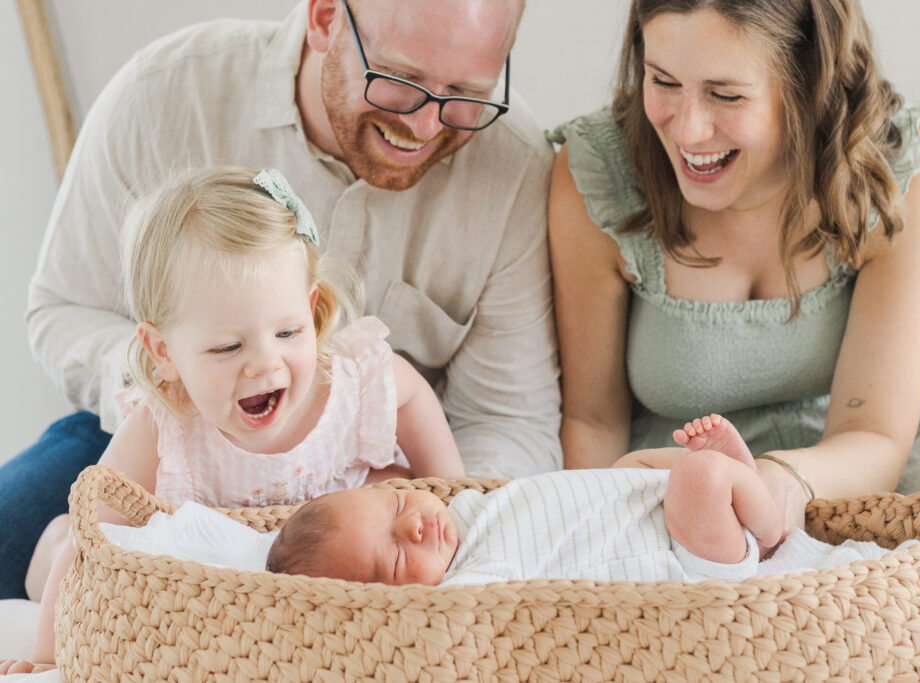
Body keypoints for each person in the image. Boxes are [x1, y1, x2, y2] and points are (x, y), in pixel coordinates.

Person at [1, 0, 561, 600]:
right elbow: (63, 308)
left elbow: (509, 419)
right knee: (16, 534)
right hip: (170, 440)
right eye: (400, 81)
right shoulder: (164, 93)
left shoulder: (515, 164)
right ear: (323, 18)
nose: (426, 126)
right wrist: (193, 389)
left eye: (463, 94)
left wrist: (416, 520)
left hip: (368, 458)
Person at [547, 0, 920, 582]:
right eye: (662, 81)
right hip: (705, 491)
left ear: (807, 86)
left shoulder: (896, 171)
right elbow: (593, 424)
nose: (687, 128)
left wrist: (777, 482)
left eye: (726, 95)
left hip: (888, 453)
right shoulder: (600, 175)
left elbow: (872, 432)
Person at [4, 166, 467, 673]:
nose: (265, 363)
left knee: (392, 481)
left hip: (321, 554)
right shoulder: (166, 426)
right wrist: (47, 658)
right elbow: (90, 543)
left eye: (289, 332)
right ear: (164, 353)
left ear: (312, 311)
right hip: (214, 574)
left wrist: (455, 493)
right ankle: (42, 552)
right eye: (228, 346)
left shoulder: (352, 384)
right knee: (65, 545)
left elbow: (412, 397)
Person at [265, 415, 787, 585]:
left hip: (634, 500)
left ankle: (735, 484)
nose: (417, 527)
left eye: (400, 507)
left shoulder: (464, 509)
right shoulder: (469, 582)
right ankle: (767, 534)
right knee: (700, 477)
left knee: (631, 467)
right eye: (398, 557)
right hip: (688, 550)